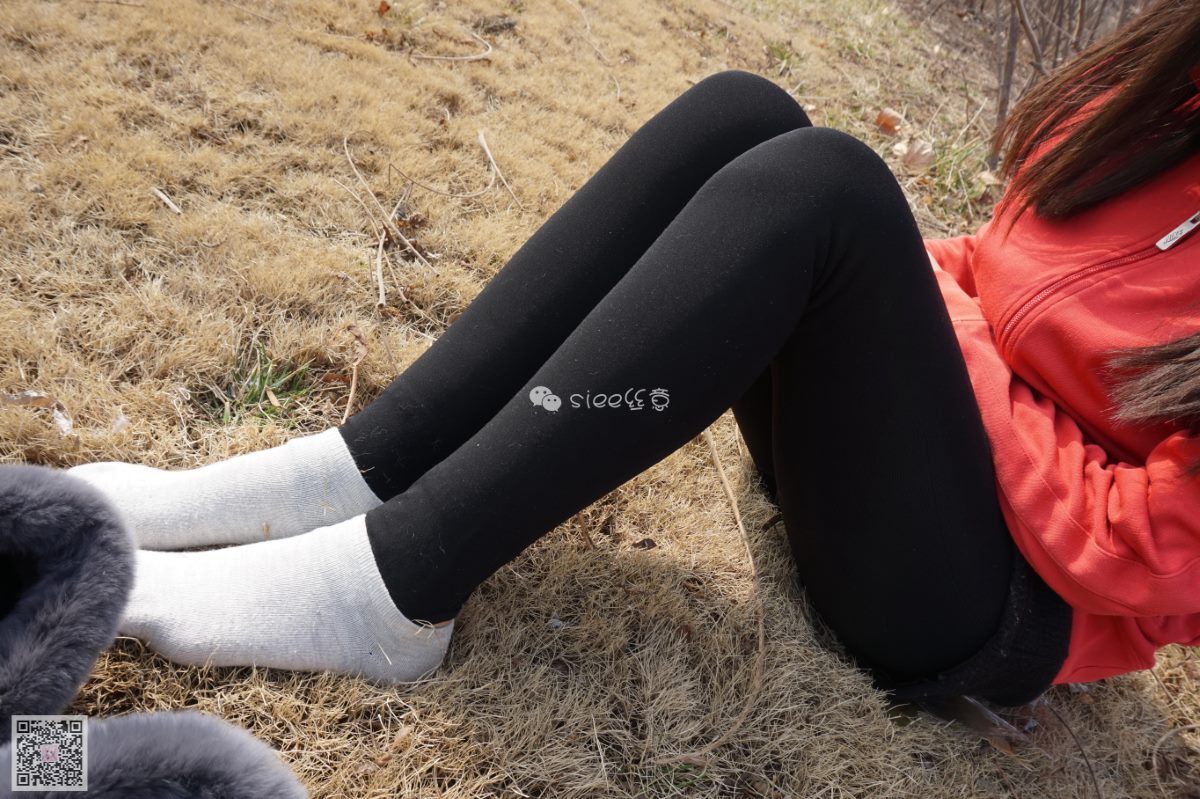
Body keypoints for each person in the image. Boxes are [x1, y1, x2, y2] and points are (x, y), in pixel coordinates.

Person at [69, 0, 1200, 708]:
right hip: (920, 464)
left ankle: (391, 589)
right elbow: (988, 266)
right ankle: (361, 470)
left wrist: (935, 317)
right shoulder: (1175, 83)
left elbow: (1140, 547)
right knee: (747, 115)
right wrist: (937, 308)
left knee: (831, 189)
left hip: (987, 603)